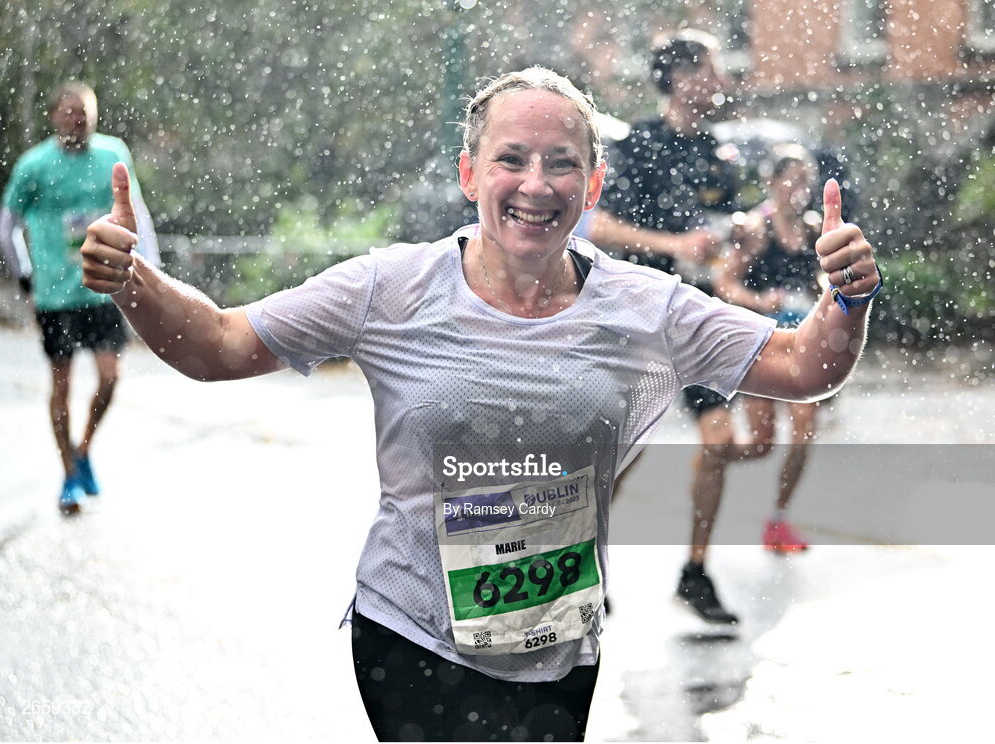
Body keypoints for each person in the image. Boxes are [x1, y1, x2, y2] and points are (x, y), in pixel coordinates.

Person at [79, 68, 881, 742]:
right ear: (470, 175)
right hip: (411, 632)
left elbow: (803, 364)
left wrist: (847, 296)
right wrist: (135, 280)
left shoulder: (648, 309)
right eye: (512, 159)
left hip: (558, 643)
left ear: (592, 184)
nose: (536, 184)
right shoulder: (386, 289)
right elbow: (218, 345)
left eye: (561, 163)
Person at [586, 29, 761, 625]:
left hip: (697, 315)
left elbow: (717, 239)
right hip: (640, 315)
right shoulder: (638, 144)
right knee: (622, 454)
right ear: (681, 78)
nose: (719, 81)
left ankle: (695, 571)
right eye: (709, 70)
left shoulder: (717, 151)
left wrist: (735, 244)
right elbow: (601, 227)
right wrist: (673, 244)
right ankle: (583, 562)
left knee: (718, 441)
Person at [0, 81, 159, 515]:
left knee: (111, 377)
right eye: (68, 112)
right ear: (54, 116)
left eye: (84, 112)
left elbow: (137, 211)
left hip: (105, 289)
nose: (77, 120)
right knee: (62, 384)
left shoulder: (112, 155)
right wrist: (25, 275)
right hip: (55, 293)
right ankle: (68, 474)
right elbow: (6, 225)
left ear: (95, 115)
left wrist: (151, 271)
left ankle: (83, 449)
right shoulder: (35, 165)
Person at [715, 144, 830, 552]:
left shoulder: (815, 230)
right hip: (762, 344)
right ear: (772, 182)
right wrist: (760, 303)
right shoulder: (755, 229)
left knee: (803, 429)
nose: (799, 190)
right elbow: (724, 283)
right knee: (762, 443)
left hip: (803, 346)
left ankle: (778, 521)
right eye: (792, 180)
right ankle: (712, 462)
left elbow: (825, 279)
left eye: (806, 182)